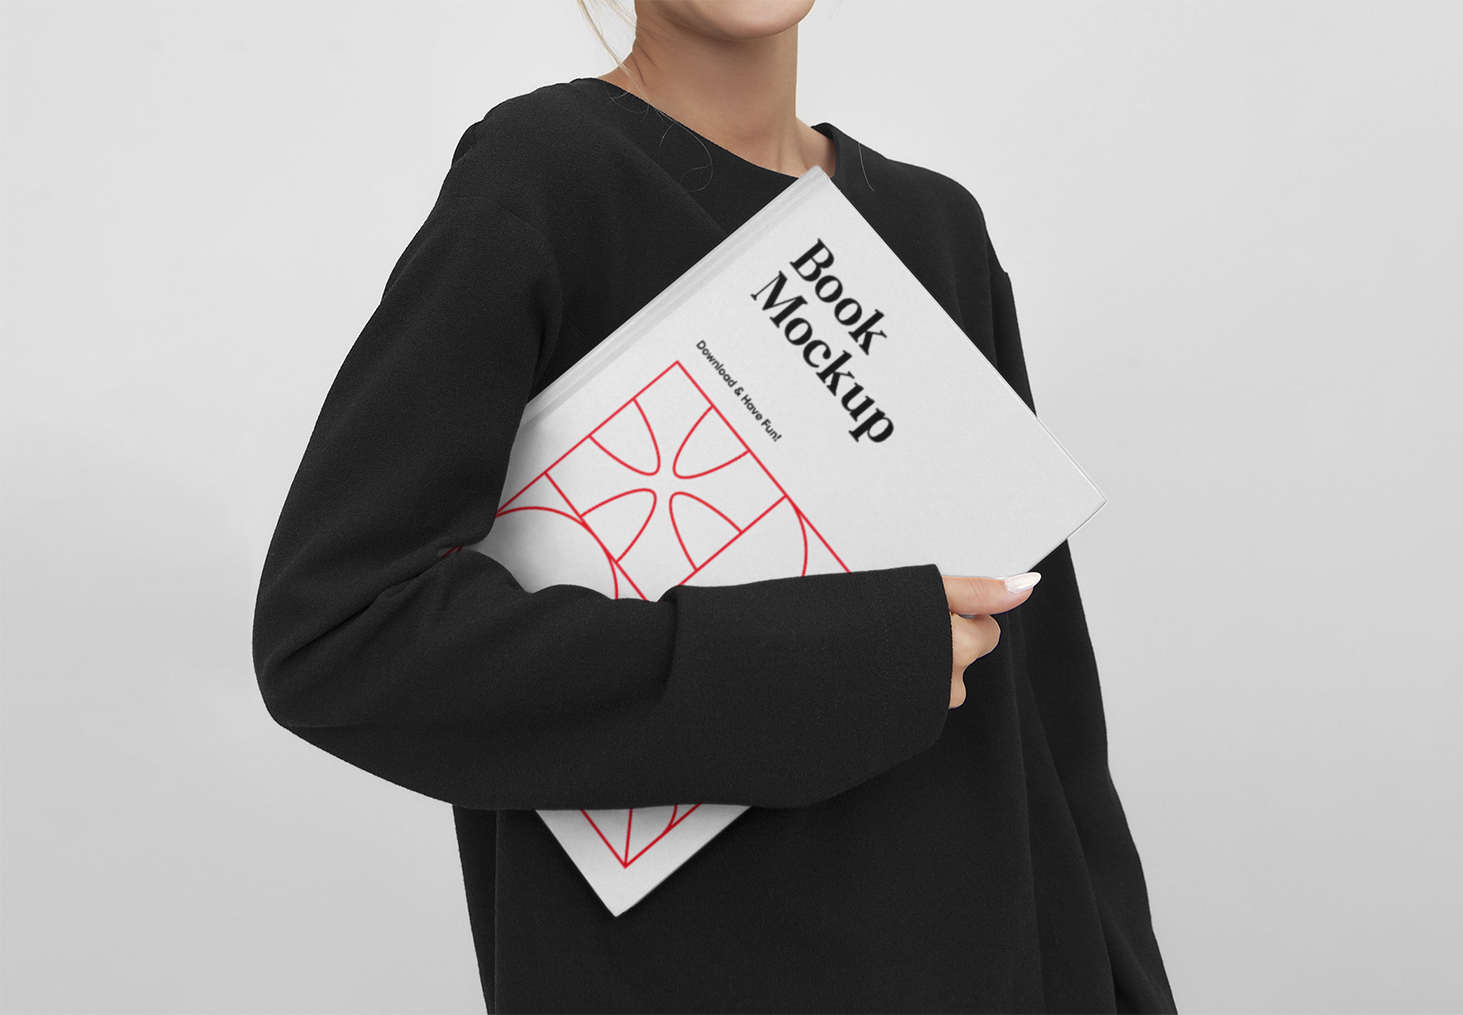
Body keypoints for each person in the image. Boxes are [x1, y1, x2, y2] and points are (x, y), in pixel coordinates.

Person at [252, 1, 1176, 1011]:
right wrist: (835, 662)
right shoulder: (544, 177)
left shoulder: (937, 227)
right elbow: (338, 635)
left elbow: (1050, 727)